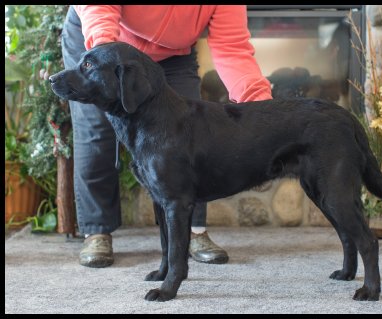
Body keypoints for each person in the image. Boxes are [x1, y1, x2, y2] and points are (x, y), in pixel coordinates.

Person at [61, 5, 273, 268]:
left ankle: (194, 230)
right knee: (97, 135)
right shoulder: (102, 47)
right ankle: (97, 231)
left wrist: (263, 111)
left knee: (190, 136)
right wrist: (106, 56)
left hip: (173, 52)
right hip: (103, 41)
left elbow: (233, 49)